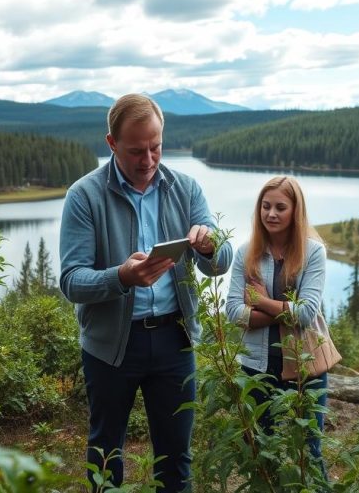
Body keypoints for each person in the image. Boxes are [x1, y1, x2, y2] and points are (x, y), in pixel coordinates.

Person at [60, 93, 232, 491]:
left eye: (155, 147)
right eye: (137, 151)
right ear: (111, 144)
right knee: (106, 454)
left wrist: (209, 245)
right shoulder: (84, 195)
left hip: (176, 340)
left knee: (176, 460)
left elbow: (219, 261)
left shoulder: (186, 188)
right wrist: (122, 276)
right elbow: (72, 280)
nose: (149, 160)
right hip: (110, 347)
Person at [224, 176, 329, 471]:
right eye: (266, 206)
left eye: (280, 207)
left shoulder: (313, 252)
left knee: (309, 451)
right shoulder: (246, 253)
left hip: (305, 365)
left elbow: (307, 314)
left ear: (296, 211)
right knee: (259, 448)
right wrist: (284, 312)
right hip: (257, 365)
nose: (271, 214)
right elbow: (232, 312)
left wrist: (261, 302)